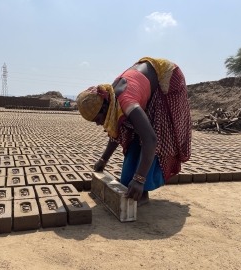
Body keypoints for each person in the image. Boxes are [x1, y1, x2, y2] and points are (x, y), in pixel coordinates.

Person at [76, 57, 191, 206]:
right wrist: (103, 159)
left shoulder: (126, 101)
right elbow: (118, 131)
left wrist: (139, 179)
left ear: (104, 108)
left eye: (98, 119)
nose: (99, 124)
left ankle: (143, 190)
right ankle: (131, 182)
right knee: (133, 131)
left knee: (155, 130)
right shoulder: (110, 99)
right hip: (146, 80)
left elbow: (151, 139)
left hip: (167, 78)